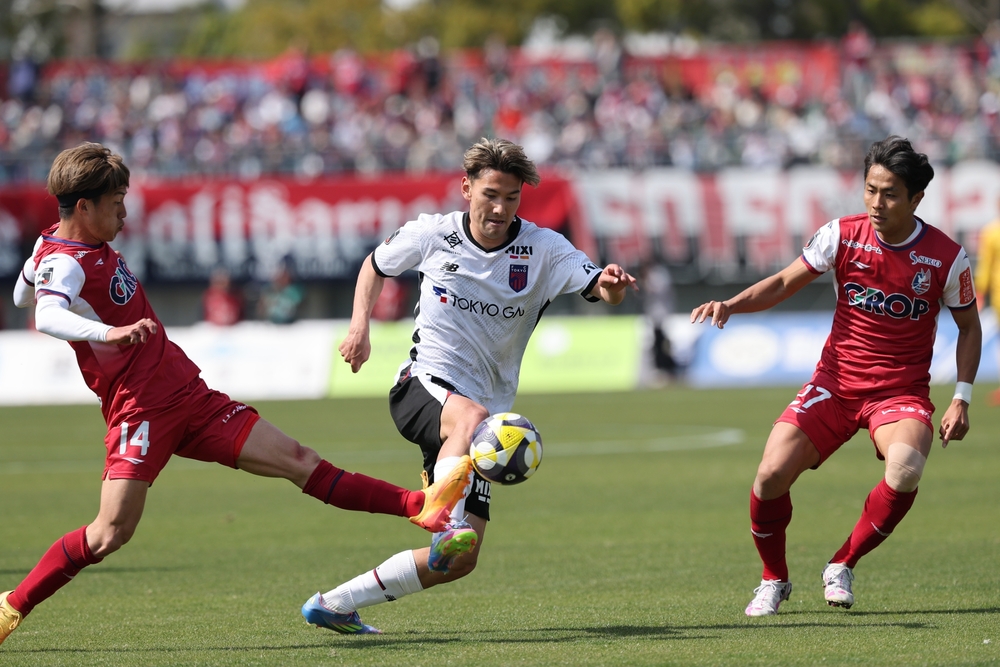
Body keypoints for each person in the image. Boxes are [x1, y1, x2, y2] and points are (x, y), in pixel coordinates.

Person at [0, 142, 475, 647]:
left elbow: (24, 291)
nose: (124, 213)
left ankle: (420, 505)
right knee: (109, 533)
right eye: (116, 203)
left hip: (189, 394)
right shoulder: (68, 262)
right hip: (140, 411)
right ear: (83, 207)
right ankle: (11, 606)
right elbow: (46, 313)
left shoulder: (57, 249)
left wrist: (36, 274)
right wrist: (108, 332)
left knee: (300, 459)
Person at [300, 137, 637, 634]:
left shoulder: (544, 250)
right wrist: (359, 327)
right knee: (471, 422)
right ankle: (443, 513)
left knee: (459, 559)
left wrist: (612, 285)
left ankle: (334, 603)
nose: (500, 208)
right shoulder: (432, 234)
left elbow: (600, 288)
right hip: (422, 386)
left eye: (511, 198)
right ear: (466, 189)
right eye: (490, 195)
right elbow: (374, 265)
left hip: (478, 420)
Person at [691, 136, 981, 616]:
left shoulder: (946, 257)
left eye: (890, 194)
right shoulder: (841, 235)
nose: (876, 203)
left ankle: (842, 563)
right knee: (769, 476)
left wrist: (961, 398)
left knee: (906, 468)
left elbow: (969, 328)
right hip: (835, 383)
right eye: (870, 190)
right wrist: (731, 305)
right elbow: (783, 282)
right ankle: (773, 579)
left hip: (899, 392)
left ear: (916, 199)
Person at [974, 197, 1000, 405]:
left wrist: (981, 292)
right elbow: (986, 266)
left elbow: (985, 266)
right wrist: (980, 294)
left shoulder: (991, 232)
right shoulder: (991, 232)